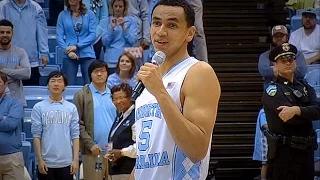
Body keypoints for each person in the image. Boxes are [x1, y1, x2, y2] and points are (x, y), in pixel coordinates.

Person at [131, 0, 221, 179]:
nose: (161, 31)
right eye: (156, 23)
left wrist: (161, 92)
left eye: (172, 25)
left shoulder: (198, 72)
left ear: (190, 33)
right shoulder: (149, 79)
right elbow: (146, 155)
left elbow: (196, 149)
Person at [262, 43, 320, 180]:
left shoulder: (305, 86)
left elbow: (319, 110)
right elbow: (290, 119)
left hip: (306, 152)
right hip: (285, 154)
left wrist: (297, 110)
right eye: (283, 61)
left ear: (295, 63)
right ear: (275, 65)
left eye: (290, 60)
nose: (288, 63)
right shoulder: (272, 90)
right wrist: (306, 112)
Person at [31, 71, 80, 180]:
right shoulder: (38, 107)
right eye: (52, 81)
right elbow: (36, 135)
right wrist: (39, 159)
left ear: (65, 86)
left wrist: (75, 159)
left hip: (67, 163)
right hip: (46, 163)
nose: (56, 84)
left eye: (59, 81)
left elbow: (75, 135)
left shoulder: (71, 108)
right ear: (47, 85)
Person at [73, 60, 117, 180]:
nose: (99, 74)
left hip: (114, 152)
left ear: (107, 74)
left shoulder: (114, 94)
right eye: (96, 71)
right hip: (93, 152)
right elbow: (77, 123)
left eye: (102, 71)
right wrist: (90, 144)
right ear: (90, 74)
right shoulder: (82, 95)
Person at [0, 0, 49, 86]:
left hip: (31, 62)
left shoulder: (36, 7)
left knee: (31, 93)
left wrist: (44, 52)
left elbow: (42, 31)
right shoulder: (3, 6)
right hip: (7, 61)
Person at [56, 0, 97, 85]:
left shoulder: (90, 14)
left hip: (87, 53)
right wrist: (68, 51)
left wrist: (77, 46)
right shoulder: (62, 15)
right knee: (68, 84)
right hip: (69, 54)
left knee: (91, 84)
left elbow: (92, 35)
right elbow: (59, 37)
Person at [106, 83, 136, 180]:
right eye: (115, 99)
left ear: (130, 97)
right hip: (116, 170)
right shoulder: (120, 115)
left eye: (121, 98)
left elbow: (140, 147)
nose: (118, 101)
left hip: (129, 170)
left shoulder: (136, 116)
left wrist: (122, 152)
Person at [100, 0, 137, 74]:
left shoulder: (132, 21)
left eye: (120, 6)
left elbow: (132, 41)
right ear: (112, 7)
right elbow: (105, 42)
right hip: (111, 60)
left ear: (124, 8)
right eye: (116, 6)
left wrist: (124, 27)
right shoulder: (105, 21)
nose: (118, 8)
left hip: (127, 59)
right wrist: (111, 29)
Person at [0, 19, 31, 106]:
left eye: (8, 32)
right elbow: (22, 73)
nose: (5, 35)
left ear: (12, 34)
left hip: (17, 102)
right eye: (2, 32)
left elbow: (27, 73)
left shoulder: (20, 52)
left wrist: (3, 70)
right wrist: (17, 73)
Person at [0, 71, 24, 179]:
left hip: (11, 156)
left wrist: (6, 120)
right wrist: (3, 118)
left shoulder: (15, 103)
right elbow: (5, 122)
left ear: (5, 85)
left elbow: (10, 124)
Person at [253, 108, 268, 180]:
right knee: (265, 163)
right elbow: (264, 125)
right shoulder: (264, 112)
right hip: (264, 142)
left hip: (268, 142)